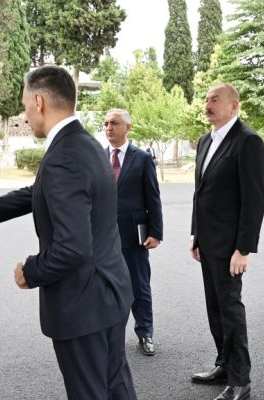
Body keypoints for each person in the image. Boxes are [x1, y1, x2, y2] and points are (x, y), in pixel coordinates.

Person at [0, 66, 137, 400]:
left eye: (25, 104)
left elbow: (73, 248)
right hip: (109, 292)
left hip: (84, 303)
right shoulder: (87, 144)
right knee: (116, 387)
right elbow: (37, 193)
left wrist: (31, 270)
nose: (24, 114)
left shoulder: (65, 156)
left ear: (39, 101)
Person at [189, 83, 264, 400]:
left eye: (215, 99)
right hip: (208, 242)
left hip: (231, 247)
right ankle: (224, 364)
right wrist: (196, 235)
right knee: (215, 308)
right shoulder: (205, 141)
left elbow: (254, 201)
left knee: (231, 310)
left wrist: (243, 249)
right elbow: (200, 192)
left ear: (234, 106)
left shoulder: (248, 142)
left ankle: (240, 380)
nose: (207, 104)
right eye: (206, 99)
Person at [104, 109, 163, 356]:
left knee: (139, 287)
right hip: (103, 238)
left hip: (133, 236)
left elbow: (153, 197)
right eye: (106, 123)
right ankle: (109, 335)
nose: (109, 127)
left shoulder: (142, 158)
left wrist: (156, 233)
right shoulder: (98, 157)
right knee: (105, 289)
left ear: (127, 127)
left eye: (114, 123)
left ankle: (145, 333)